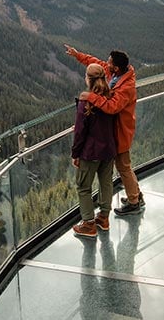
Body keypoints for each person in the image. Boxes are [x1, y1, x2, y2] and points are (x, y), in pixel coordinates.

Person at [65, 44, 144, 215]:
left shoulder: (126, 86)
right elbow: (95, 62)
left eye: (109, 63)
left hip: (120, 132)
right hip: (114, 131)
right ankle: (136, 195)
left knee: (123, 167)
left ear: (116, 67)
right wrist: (77, 55)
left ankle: (134, 202)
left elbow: (113, 107)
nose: (105, 64)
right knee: (125, 167)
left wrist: (90, 97)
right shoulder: (117, 74)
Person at [71, 63, 116, 238]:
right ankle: (103, 218)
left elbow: (80, 131)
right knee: (106, 183)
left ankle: (89, 224)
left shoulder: (86, 101)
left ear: (88, 79)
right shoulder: (111, 98)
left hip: (90, 152)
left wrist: (75, 154)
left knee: (83, 187)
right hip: (109, 149)